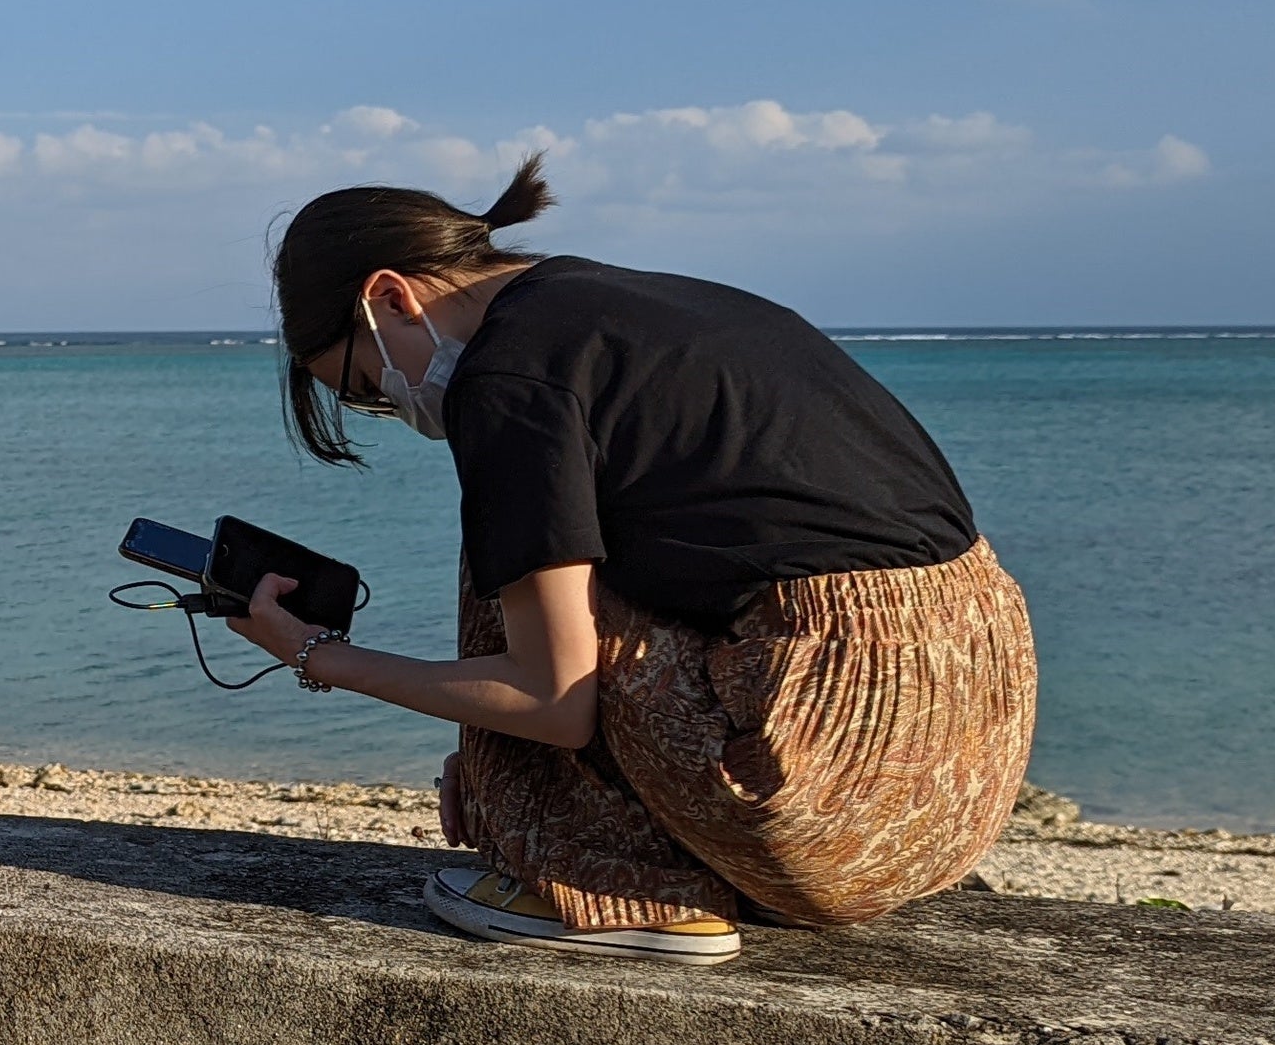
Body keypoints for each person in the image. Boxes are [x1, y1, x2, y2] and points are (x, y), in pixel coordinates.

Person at [236, 155, 1034, 962]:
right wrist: (492, 758)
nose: (393, 405)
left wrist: (315, 655)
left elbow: (552, 698)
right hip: (960, 786)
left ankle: (623, 896)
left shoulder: (506, 375)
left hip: (817, 812)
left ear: (388, 297)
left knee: (506, 562)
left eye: (367, 385)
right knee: (554, 552)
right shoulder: (638, 306)